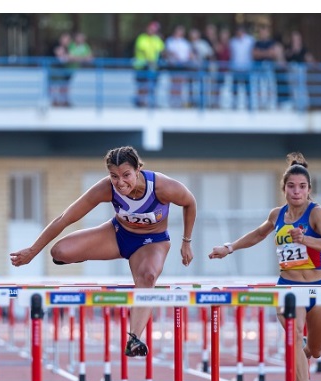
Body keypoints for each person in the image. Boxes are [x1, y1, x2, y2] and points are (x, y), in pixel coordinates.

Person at [10, 146, 196, 359]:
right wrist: (33, 251)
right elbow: (65, 218)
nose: (120, 183)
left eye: (126, 175)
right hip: (118, 235)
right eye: (114, 176)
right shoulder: (106, 188)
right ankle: (82, 254)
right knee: (59, 251)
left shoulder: (162, 187)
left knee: (148, 276)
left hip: (152, 242)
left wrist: (186, 241)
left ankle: (134, 338)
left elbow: (190, 203)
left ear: (138, 169)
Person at [208, 153, 321, 381]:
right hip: (287, 288)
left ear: (309, 189)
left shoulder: (317, 213)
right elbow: (258, 234)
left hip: (320, 287)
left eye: (302, 187)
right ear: (284, 189)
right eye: (291, 186)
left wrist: (305, 240)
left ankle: (301, 355)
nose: (296, 191)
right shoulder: (277, 214)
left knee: (316, 349)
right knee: (294, 334)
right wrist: (229, 248)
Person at [132, 21, 165, 108]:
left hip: (153, 66)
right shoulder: (142, 38)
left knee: (152, 85)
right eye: (151, 29)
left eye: (154, 29)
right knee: (142, 85)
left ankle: (151, 102)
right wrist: (149, 60)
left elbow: (162, 50)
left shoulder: (157, 39)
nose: (152, 31)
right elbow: (142, 50)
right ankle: (140, 102)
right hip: (142, 66)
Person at [164, 25, 195, 108]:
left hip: (183, 65)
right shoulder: (170, 41)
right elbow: (169, 52)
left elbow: (189, 53)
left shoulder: (185, 43)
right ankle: (172, 101)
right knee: (174, 83)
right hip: (174, 65)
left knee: (180, 84)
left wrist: (190, 57)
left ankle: (179, 101)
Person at [49, 33, 73, 107]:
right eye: (66, 39)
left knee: (64, 85)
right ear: (61, 39)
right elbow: (60, 55)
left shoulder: (68, 48)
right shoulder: (57, 45)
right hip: (55, 68)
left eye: (68, 40)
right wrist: (68, 56)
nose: (67, 41)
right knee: (55, 86)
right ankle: (55, 101)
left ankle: (64, 101)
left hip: (64, 69)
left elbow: (70, 57)